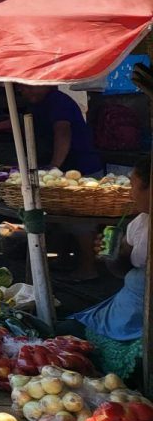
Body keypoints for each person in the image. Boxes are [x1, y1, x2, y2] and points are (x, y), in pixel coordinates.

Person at [59, 157, 151, 343]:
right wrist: (113, 255)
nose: (130, 194)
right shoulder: (141, 222)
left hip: (141, 323)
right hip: (125, 309)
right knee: (61, 331)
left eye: (133, 185)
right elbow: (121, 271)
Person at [19, 85, 104, 278]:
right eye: (23, 88)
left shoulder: (58, 102)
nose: (28, 92)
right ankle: (65, 258)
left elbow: (63, 133)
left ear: (47, 84)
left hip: (82, 168)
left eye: (33, 87)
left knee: (80, 221)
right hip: (65, 170)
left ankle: (88, 269)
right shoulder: (40, 104)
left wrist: (54, 167)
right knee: (62, 218)